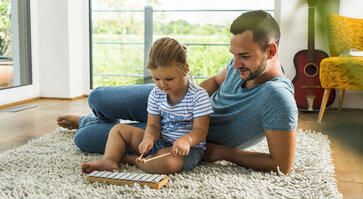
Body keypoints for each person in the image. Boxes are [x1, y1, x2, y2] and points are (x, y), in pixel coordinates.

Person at [58, 10, 298, 175]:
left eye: (244, 56)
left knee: (85, 138)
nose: (235, 64)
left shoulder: (278, 99)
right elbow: (215, 80)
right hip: (175, 96)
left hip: (185, 135)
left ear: (271, 50)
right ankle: (95, 117)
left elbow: (281, 165)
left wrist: (223, 152)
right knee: (97, 97)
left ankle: (87, 122)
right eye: (233, 54)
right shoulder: (243, 65)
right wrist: (182, 97)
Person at [81, 37, 213, 174]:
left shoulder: (198, 96)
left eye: (169, 79)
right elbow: (153, 126)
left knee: (166, 164)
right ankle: (109, 160)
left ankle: (131, 160)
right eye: (156, 79)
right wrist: (148, 138)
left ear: (185, 69)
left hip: (187, 151)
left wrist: (187, 140)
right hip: (161, 141)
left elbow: (200, 130)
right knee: (118, 130)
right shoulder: (156, 94)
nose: (162, 85)